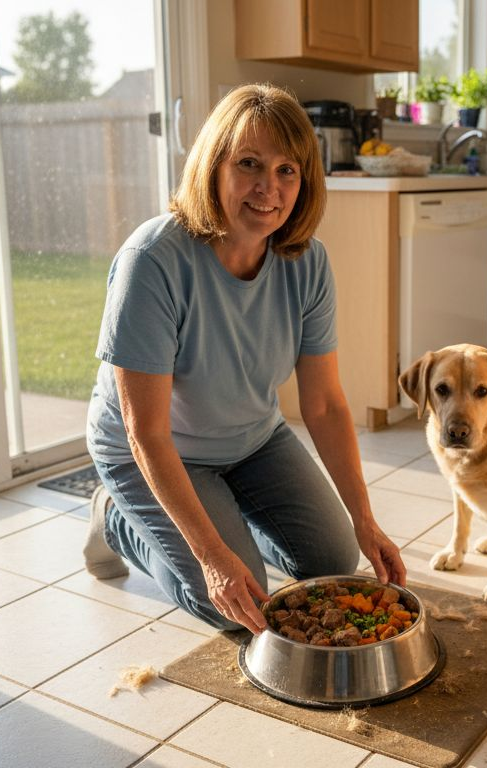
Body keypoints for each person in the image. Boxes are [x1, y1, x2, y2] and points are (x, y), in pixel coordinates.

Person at [82, 83, 406, 634]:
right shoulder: (152, 262)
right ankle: (115, 517)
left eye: (287, 171)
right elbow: (147, 433)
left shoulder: (307, 262)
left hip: (253, 439)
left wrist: (365, 520)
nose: (268, 188)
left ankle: (227, 511)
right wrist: (212, 557)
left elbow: (324, 405)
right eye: (249, 164)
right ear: (213, 167)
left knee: (334, 563)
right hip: (157, 452)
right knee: (236, 605)